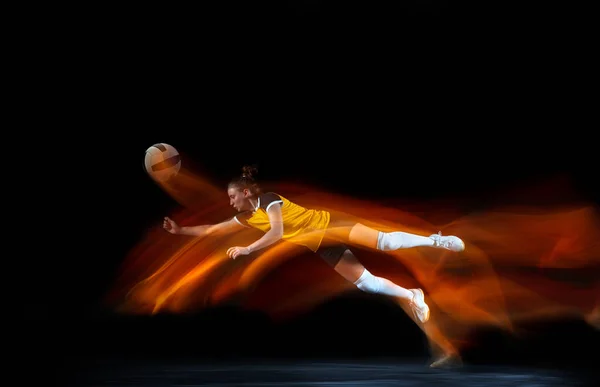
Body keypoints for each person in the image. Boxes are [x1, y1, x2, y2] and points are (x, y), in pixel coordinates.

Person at [162, 165, 465, 362]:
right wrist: (181, 231)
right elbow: (214, 229)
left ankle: (438, 241)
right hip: (321, 244)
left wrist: (247, 249)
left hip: (329, 225)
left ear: (244, 192)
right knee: (366, 283)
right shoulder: (245, 216)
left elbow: (278, 232)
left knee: (383, 241)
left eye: (232, 196)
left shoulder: (268, 199)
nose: (230, 202)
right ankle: (412, 295)